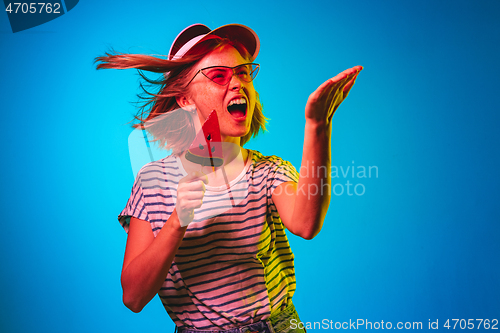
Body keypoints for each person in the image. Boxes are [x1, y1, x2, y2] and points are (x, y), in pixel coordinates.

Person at [95, 23, 362, 333]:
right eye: (219, 76)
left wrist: (318, 124)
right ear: (185, 99)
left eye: (244, 73)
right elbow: (134, 296)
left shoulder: (267, 171)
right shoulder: (152, 181)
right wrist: (177, 221)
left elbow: (306, 223)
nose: (237, 83)